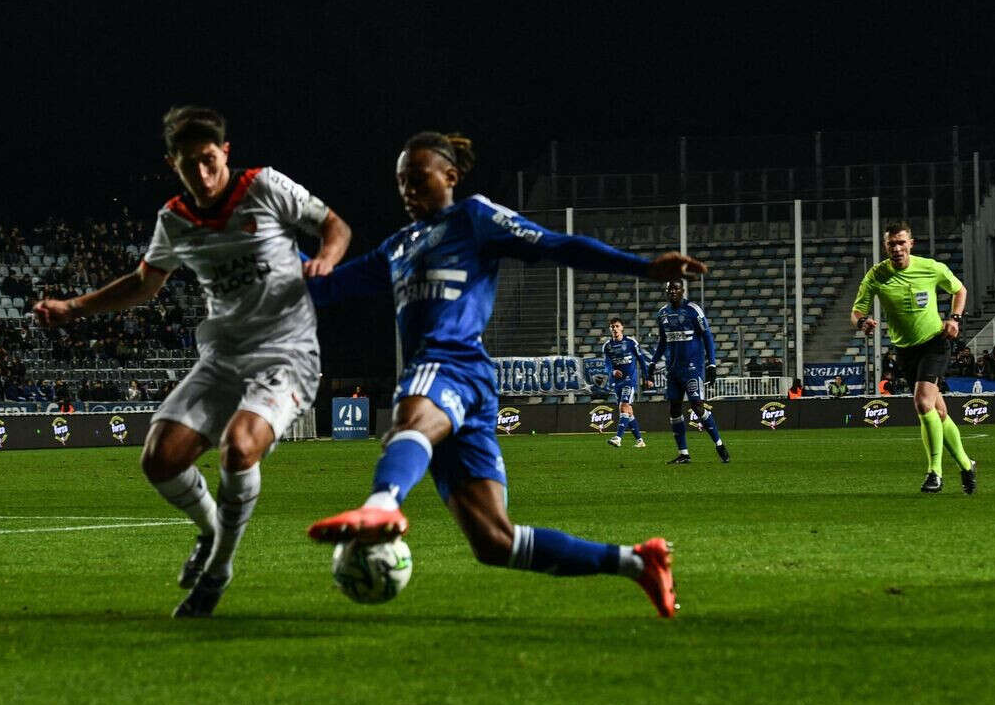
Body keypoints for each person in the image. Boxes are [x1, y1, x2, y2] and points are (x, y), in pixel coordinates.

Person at [302, 131, 704, 618]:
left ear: (449, 176)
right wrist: (275, 254)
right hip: (459, 385)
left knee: (407, 424)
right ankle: (639, 562)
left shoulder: (473, 218)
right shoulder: (399, 245)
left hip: (451, 363)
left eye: (417, 178)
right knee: (494, 541)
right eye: (401, 182)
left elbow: (559, 245)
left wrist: (640, 268)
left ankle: (383, 503)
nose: (407, 189)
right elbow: (326, 289)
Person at [33, 106, 351, 618]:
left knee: (239, 449)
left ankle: (217, 573)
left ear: (225, 152)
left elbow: (334, 225)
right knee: (159, 460)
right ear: (172, 165)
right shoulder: (175, 220)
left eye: (209, 161)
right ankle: (209, 532)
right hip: (222, 357)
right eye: (189, 166)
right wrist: (74, 307)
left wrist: (327, 258)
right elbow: (144, 284)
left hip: (286, 353)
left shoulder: (264, 186)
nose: (202, 176)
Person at [852, 221, 978, 494]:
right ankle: (967, 466)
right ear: (885, 247)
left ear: (911, 243)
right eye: (891, 244)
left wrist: (955, 319)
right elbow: (857, 311)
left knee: (922, 403)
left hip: (934, 343)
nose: (896, 248)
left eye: (901, 242)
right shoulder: (876, 275)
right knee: (939, 412)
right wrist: (863, 323)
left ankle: (935, 472)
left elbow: (959, 290)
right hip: (905, 350)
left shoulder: (930, 267)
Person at [651, 280, 730, 464]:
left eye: (676, 288)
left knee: (697, 406)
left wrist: (712, 364)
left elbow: (707, 336)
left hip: (692, 369)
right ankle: (684, 453)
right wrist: (654, 361)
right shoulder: (662, 313)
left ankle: (719, 444)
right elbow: (663, 341)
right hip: (673, 370)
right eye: (669, 288)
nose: (672, 291)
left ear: (682, 291)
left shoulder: (693, 310)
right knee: (674, 409)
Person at [601, 318, 650, 448]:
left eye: (617, 326)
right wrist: (612, 372)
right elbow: (606, 364)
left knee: (623, 406)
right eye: (612, 327)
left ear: (622, 328)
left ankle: (618, 438)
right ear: (610, 329)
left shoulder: (631, 342)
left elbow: (641, 360)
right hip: (617, 382)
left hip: (630, 380)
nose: (614, 329)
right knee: (628, 412)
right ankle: (640, 441)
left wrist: (647, 377)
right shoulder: (607, 346)